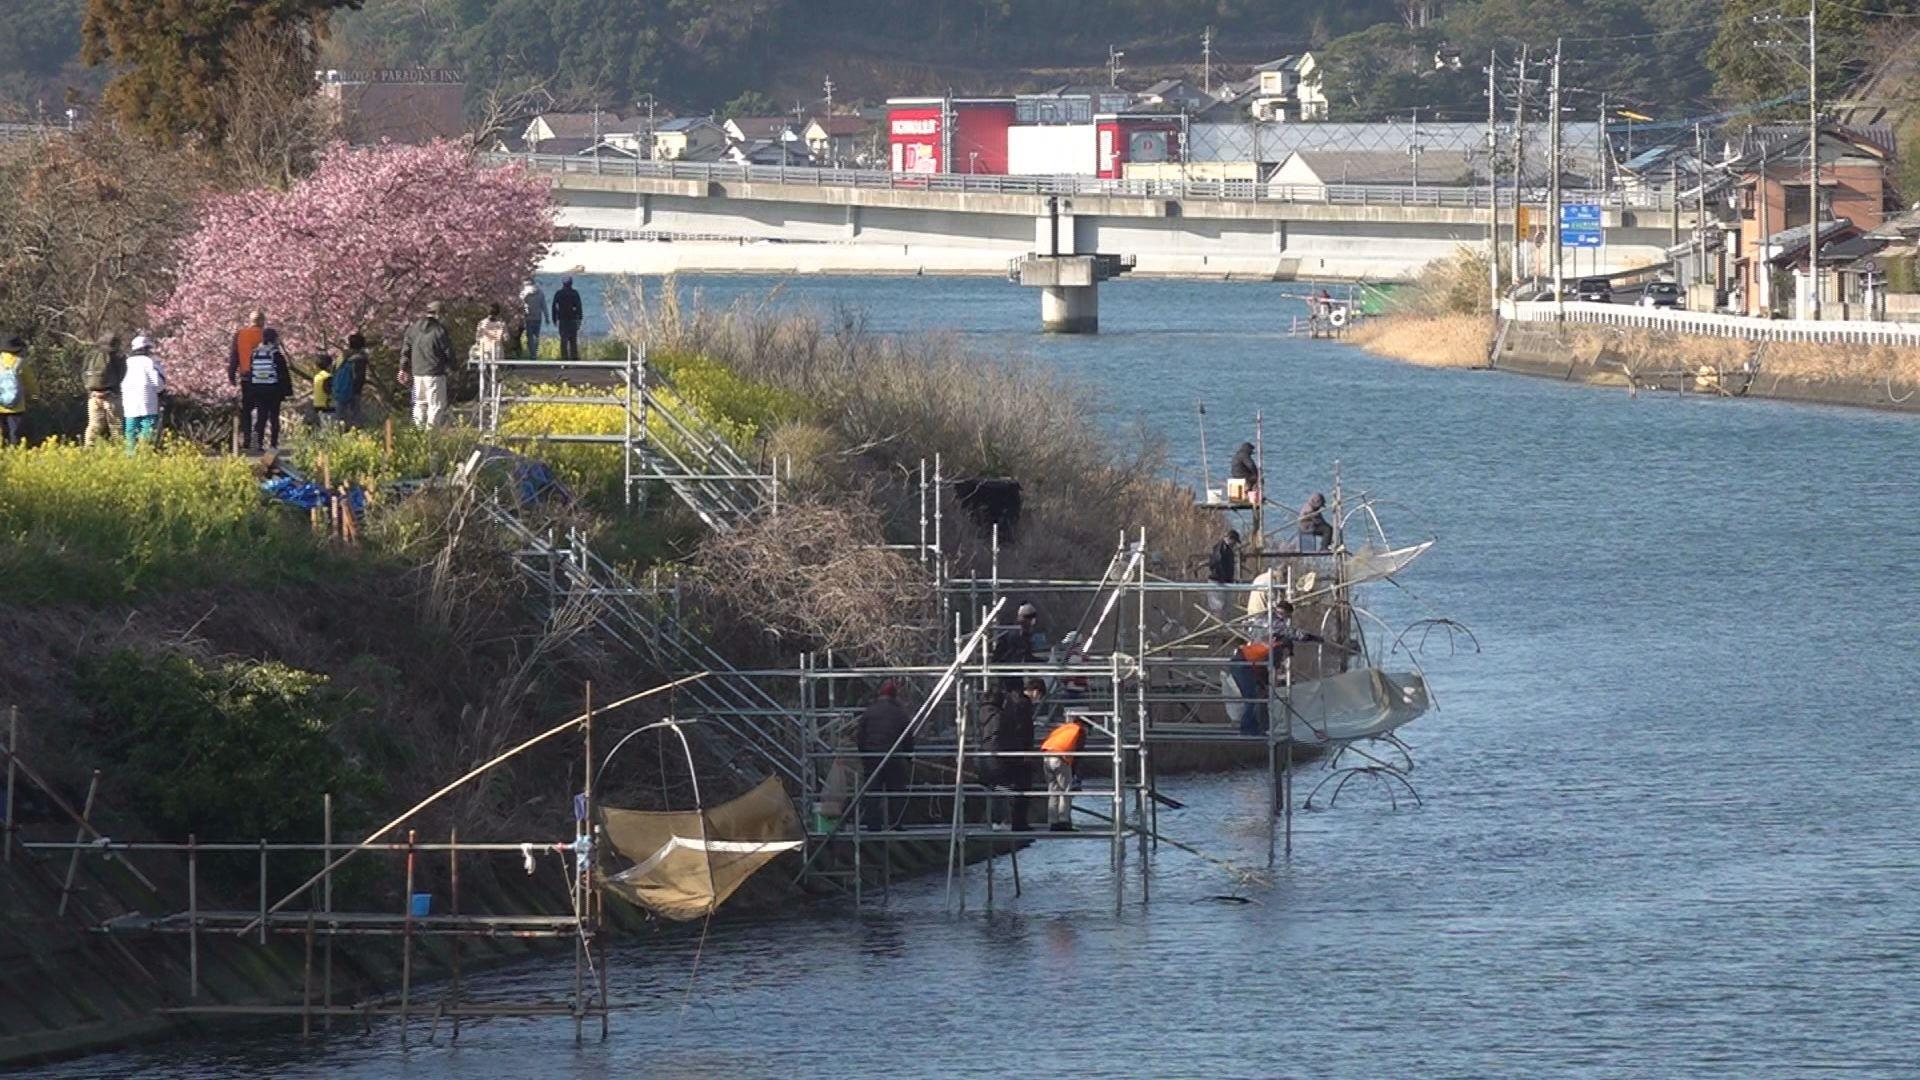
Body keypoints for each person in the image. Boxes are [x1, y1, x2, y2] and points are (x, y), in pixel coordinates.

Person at [1225, 601, 1330, 736]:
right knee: (1253, 698)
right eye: (1288, 654)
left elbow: (1262, 668)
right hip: (1243, 663)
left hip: (1248, 662)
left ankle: (1262, 728)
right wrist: (1314, 638)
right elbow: (1295, 634)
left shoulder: (1261, 620)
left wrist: (1264, 684)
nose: (1286, 659)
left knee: (1260, 695)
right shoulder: (1276, 641)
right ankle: (1249, 730)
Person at [984, 678, 1043, 832]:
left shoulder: (1007, 704)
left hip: (1000, 751)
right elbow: (1024, 729)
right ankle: (1017, 822)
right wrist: (1026, 750)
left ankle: (1002, 820)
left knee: (1003, 786)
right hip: (1014, 751)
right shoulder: (1023, 704)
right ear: (1036, 691)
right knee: (1019, 787)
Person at [855, 680, 914, 830]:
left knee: (872, 792)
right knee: (896, 791)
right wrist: (909, 756)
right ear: (895, 696)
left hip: (872, 757)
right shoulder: (900, 713)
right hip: (893, 757)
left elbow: (860, 736)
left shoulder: (869, 712)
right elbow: (907, 737)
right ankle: (897, 824)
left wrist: (864, 755)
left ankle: (873, 825)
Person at [403, 300, 455, 427]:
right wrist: (453, 366)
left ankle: (418, 432)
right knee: (436, 405)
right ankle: (431, 436)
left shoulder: (413, 329)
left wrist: (403, 367)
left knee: (420, 403)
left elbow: (406, 349)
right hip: (435, 372)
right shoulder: (439, 330)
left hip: (417, 372)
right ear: (439, 313)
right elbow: (447, 351)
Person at [244, 328, 294, 450]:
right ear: (274, 339)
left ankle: (258, 443)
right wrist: (288, 392)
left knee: (261, 417)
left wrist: (251, 390)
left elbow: (250, 373)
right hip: (273, 390)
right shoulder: (275, 354)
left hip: (258, 389)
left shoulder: (255, 353)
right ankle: (273, 443)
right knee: (274, 416)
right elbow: (283, 374)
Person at [1040, 714, 1087, 832]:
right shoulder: (1079, 730)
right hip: (1061, 758)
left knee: (1053, 790)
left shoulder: (1064, 728)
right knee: (1065, 791)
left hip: (1046, 756)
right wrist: (1075, 773)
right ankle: (1064, 821)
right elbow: (1078, 753)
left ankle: (1052, 822)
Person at [120, 335, 164, 452]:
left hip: (129, 399)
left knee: (130, 428)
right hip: (147, 399)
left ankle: (130, 453)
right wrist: (159, 392)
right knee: (147, 426)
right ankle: (145, 452)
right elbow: (158, 382)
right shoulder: (149, 362)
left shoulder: (126, 362)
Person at [83, 335, 126, 447]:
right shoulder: (117, 356)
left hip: (93, 396)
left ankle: (88, 449)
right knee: (116, 426)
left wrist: (91, 391)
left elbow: (83, 374)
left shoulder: (91, 355)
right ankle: (119, 449)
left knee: (94, 426)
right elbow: (122, 374)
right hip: (112, 395)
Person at [991, 602, 1044, 692]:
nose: (1032, 622)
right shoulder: (1015, 633)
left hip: (1014, 670)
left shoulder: (1022, 633)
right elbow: (1023, 652)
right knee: (1012, 692)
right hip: (1008, 670)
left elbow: (1026, 655)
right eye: (1029, 618)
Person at [0, 335, 34, 447]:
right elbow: (30, 383)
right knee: (15, 433)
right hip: (16, 406)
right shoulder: (21, 363)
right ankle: (14, 451)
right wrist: (35, 396)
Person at [334, 333, 368, 428]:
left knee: (340, 416)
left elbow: (334, 370)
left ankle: (340, 436)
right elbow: (360, 378)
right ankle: (356, 435)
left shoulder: (342, 356)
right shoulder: (360, 358)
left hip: (340, 390)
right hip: (354, 391)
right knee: (355, 415)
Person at [226, 309, 266, 387]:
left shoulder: (240, 334)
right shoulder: (266, 334)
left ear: (251, 321)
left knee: (249, 398)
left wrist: (231, 375)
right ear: (262, 321)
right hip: (264, 374)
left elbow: (234, 356)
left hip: (246, 374)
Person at [552, 276, 584, 361]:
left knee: (563, 340)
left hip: (562, 320)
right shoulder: (574, 293)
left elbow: (554, 307)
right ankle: (574, 358)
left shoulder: (558, 293)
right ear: (571, 283)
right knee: (573, 340)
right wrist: (580, 319)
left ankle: (564, 360)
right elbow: (579, 307)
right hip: (572, 319)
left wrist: (554, 319)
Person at [520, 281, 548, 358]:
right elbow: (544, 306)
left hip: (528, 318)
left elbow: (520, 305)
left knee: (529, 336)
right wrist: (547, 317)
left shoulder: (524, 293)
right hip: (538, 318)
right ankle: (534, 353)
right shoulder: (540, 292)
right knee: (536, 336)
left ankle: (532, 353)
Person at [311, 353, 336, 428]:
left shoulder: (317, 376)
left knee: (322, 427)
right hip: (327, 406)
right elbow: (329, 390)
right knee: (329, 429)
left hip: (317, 405)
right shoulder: (327, 377)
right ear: (329, 365)